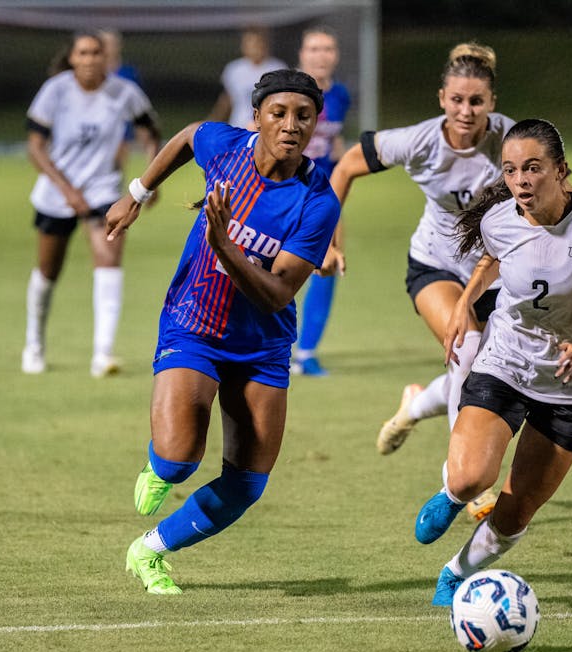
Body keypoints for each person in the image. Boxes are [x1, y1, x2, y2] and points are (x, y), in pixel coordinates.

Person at [106, 70, 339, 595]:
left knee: (247, 484)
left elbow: (278, 293)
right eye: (278, 113)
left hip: (262, 346)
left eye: (303, 116)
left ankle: (150, 550)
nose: (291, 125)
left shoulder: (318, 201)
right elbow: (190, 134)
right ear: (256, 117)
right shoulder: (227, 146)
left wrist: (227, 246)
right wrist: (137, 194)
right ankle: (160, 465)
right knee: (179, 458)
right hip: (195, 325)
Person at [413, 118, 572, 606]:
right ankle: (452, 495)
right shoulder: (501, 217)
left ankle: (457, 572)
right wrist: (463, 302)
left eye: (534, 169)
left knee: (517, 510)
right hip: (508, 359)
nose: (521, 180)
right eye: (512, 169)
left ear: (561, 172)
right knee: (471, 476)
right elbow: (492, 256)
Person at [327, 43, 513, 456]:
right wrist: (328, 241)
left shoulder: (512, 141)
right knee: (465, 349)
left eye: (477, 101)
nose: (466, 111)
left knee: (504, 372)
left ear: (492, 103)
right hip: (436, 264)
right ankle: (462, 481)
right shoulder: (418, 141)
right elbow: (344, 168)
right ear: (442, 99)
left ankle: (416, 403)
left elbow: (561, 194)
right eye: (457, 100)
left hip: (499, 273)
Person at [22, 31, 161, 377]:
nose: (90, 59)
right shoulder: (55, 90)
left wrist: (151, 174)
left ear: (106, 57)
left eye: (96, 53)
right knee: (48, 271)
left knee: (109, 258)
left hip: (103, 191)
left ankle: (103, 354)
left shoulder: (123, 92)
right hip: (57, 193)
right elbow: (36, 147)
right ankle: (34, 345)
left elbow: (149, 131)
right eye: (83, 53)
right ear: (72, 58)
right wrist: (67, 191)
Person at [290, 26, 352, 377]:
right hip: (284, 193)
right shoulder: (288, 90)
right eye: (313, 48)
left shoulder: (340, 95)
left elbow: (334, 140)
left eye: (327, 48)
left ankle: (307, 353)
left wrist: (342, 172)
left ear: (335, 55)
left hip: (321, 197)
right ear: (302, 54)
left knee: (328, 266)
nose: (320, 55)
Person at [208, 27, 287, 130]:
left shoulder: (278, 68)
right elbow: (227, 99)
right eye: (250, 44)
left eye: (257, 44)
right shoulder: (234, 69)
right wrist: (213, 120)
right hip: (238, 127)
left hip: (267, 129)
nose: (254, 48)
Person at [98, 28, 143, 172]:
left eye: (112, 43)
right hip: (98, 124)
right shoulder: (93, 72)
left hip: (122, 125)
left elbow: (138, 103)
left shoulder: (128, 73)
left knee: (116, 166)